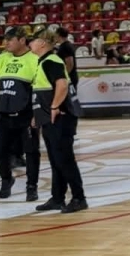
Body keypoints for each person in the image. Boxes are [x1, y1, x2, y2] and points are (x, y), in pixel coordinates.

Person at [28, 30, 87, 213]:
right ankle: (57, 198)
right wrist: (38, 115)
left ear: (42, 43)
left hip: (61, 117)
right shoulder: (44, 61)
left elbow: (61, 86)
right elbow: (43, 93)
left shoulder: (51, 61)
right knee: (56, 159)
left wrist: (54, 107)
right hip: (50, 117)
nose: (30, 44)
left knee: (64, 159)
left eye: (33, 41)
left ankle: (79, 198)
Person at [0, 27, 40, 201]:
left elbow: (39, 87)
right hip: (4, 112)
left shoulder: (34, 60)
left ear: (22, 40)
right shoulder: (3, 58)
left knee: (31, 151)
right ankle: (6, 179)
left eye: (10, 40)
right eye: (5, 40)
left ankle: (31, 186)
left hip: (26, 113)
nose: (6, 43)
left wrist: (37, 112)